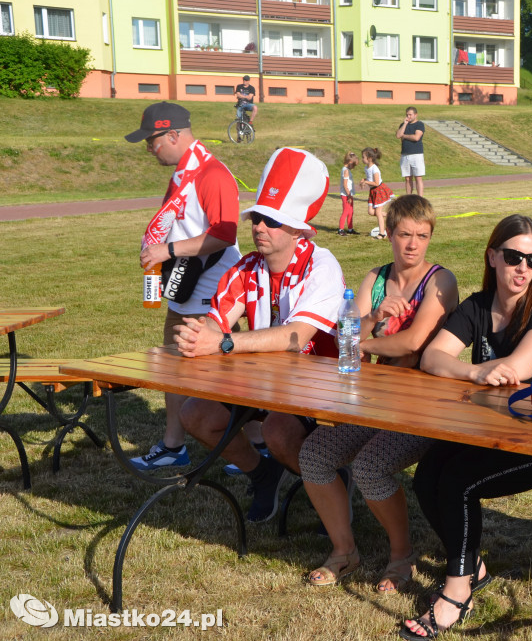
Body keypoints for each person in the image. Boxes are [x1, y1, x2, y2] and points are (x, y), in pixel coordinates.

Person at [400, 215, 532, 640]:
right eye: (515, 257)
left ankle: (456, 593)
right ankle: (472, 564)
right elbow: (432, 358)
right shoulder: (479, 306)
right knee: (428, 477)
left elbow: (516, 370)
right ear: (493, 256)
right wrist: (475, 372)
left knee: (459, 481)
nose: (524, 268)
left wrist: (473, 370)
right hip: (494, 431)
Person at [174, 147, 344, 523]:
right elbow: (215, 322)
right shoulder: (247, 266)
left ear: (299, 228)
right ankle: (263, 474)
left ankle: (336, 486)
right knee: (196, 414)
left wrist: (223, 342)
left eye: (271, 220)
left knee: (279, 431)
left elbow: (297, 337)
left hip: (321, 388)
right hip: (264, 384)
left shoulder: (322, 265)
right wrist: (198, 335)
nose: (258, 227)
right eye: (257, 218)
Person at [298, 195, 459, 591]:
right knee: (314, 455)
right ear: (389, 233)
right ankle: (344, 550)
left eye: (422, 235)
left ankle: (401, 555)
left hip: (426, 406)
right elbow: (345, 334)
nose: (413, 244)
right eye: (405, 234)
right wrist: (373, 316)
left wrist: (363, 345)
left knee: (371, 466)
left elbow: (413, 342)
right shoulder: (375, 279)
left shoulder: (440, 280)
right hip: (376, 399)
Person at [124, 101, 242, 471]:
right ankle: (175, 444)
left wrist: (167, 249)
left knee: (225, 374)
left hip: (211, 289)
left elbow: (224, 235)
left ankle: (253, 445)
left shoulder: (211, 173)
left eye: (152, 139)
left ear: (173, 134)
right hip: (186, 285)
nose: (148, 147)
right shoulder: (185, 171)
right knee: (176, 366)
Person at [361, 147, 394, 240]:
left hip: (379, 190)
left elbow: (376, 182)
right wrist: (364, 180)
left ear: (369, 158)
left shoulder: (374, 169)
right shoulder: (366, 168)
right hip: (373, 191)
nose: (362, 159)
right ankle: (391, 215)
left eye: (363, 157)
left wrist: (366, 182)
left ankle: (382, 233)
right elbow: (369, 179)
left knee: (378, 212)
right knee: (371, 212)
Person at [396, 107, 426, 197]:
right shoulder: (403, 124)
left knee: (418, 177)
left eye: (410, 114)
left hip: (416, 154)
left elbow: (416, 137)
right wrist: (405, 124)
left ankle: (420, 198)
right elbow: (398, 135)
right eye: (407, 114)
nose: (408, 116)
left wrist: (404, 136)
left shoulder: (419, 124)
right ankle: (409, 198)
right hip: (405, 154)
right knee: (408, 178)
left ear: (415, 115)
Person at [338, 152, 358, 236]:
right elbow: (345, 185)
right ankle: (341, 229)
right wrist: (349, 196)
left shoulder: (347, 170)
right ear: (350, 162)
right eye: (354, 165)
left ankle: (350, 229)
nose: (353, 167)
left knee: (351, 212)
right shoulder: (345, 171)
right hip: (346, 195)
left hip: (349, 194)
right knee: (346, 212)